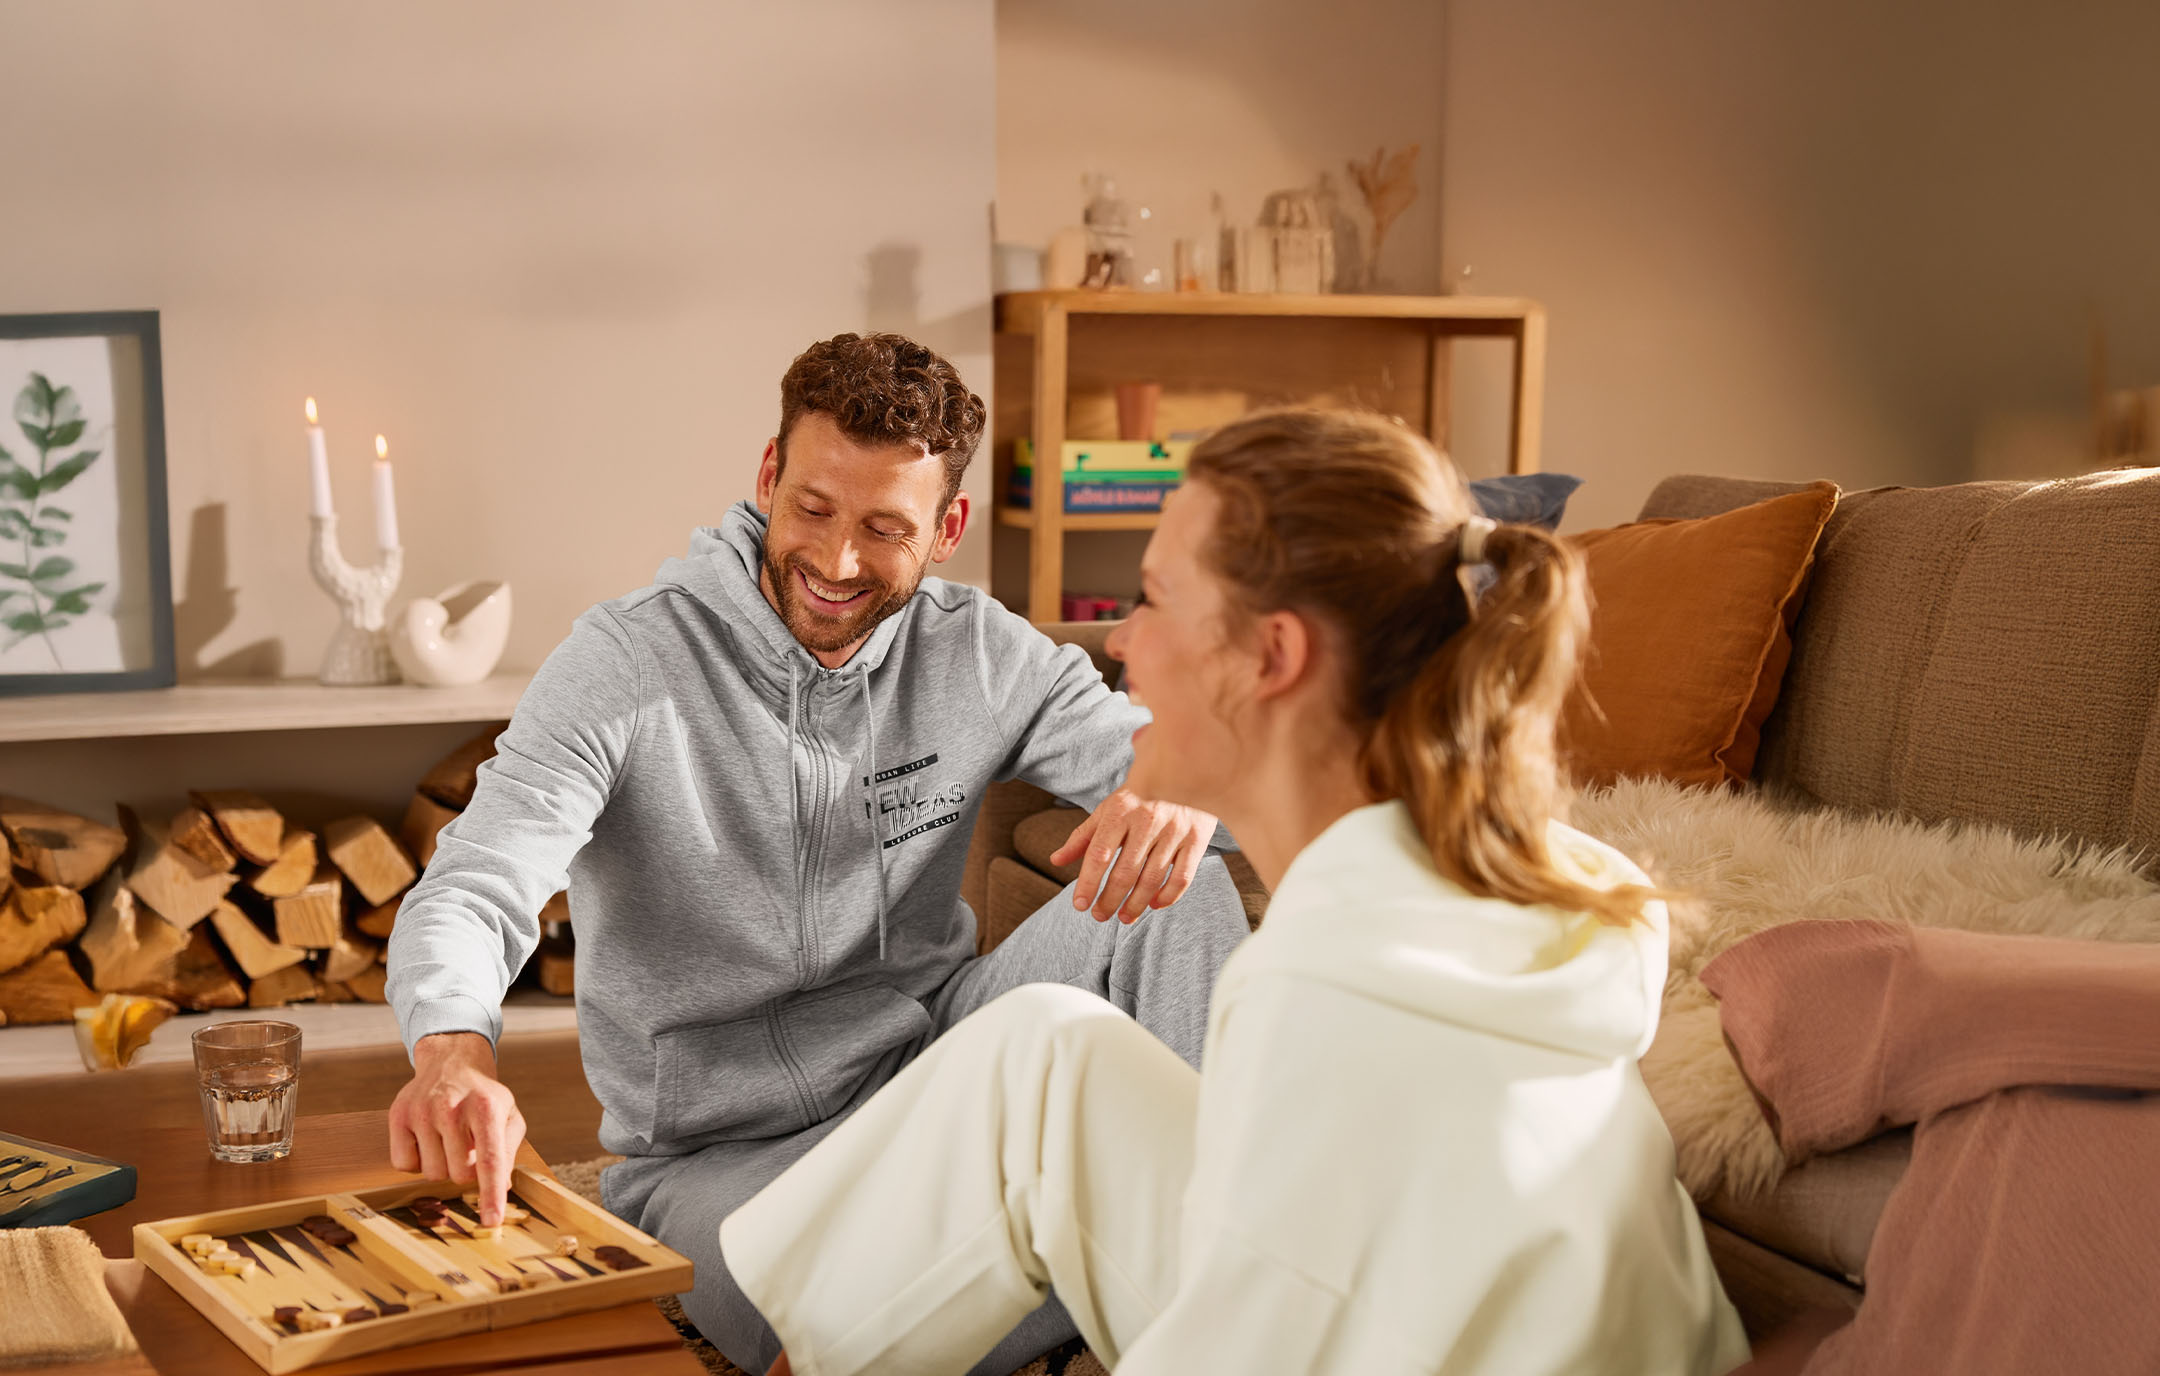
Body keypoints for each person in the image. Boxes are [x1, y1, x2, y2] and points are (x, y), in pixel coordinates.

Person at [719, 409, 1750, 1376]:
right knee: (1044, 1052)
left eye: (1156, 598)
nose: (1120, 641)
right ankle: (799, 1346)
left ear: (1272, 656)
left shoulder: (1329, 988)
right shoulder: (1460, 894)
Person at [382, 333, 1252, 1376]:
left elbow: (1219, 766)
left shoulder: (978, 649)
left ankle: (1222, 1248)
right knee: (817, 1327)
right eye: (813, 510)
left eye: (886, 528)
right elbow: (476, 884)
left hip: (932, 1063)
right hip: (720, 1160)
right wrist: (451, 1052)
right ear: (767, 475)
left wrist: (1187, 789)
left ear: (947, 529)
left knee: (1181, 880)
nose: (837, 562)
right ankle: (1155, 1273)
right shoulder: (624, 662)